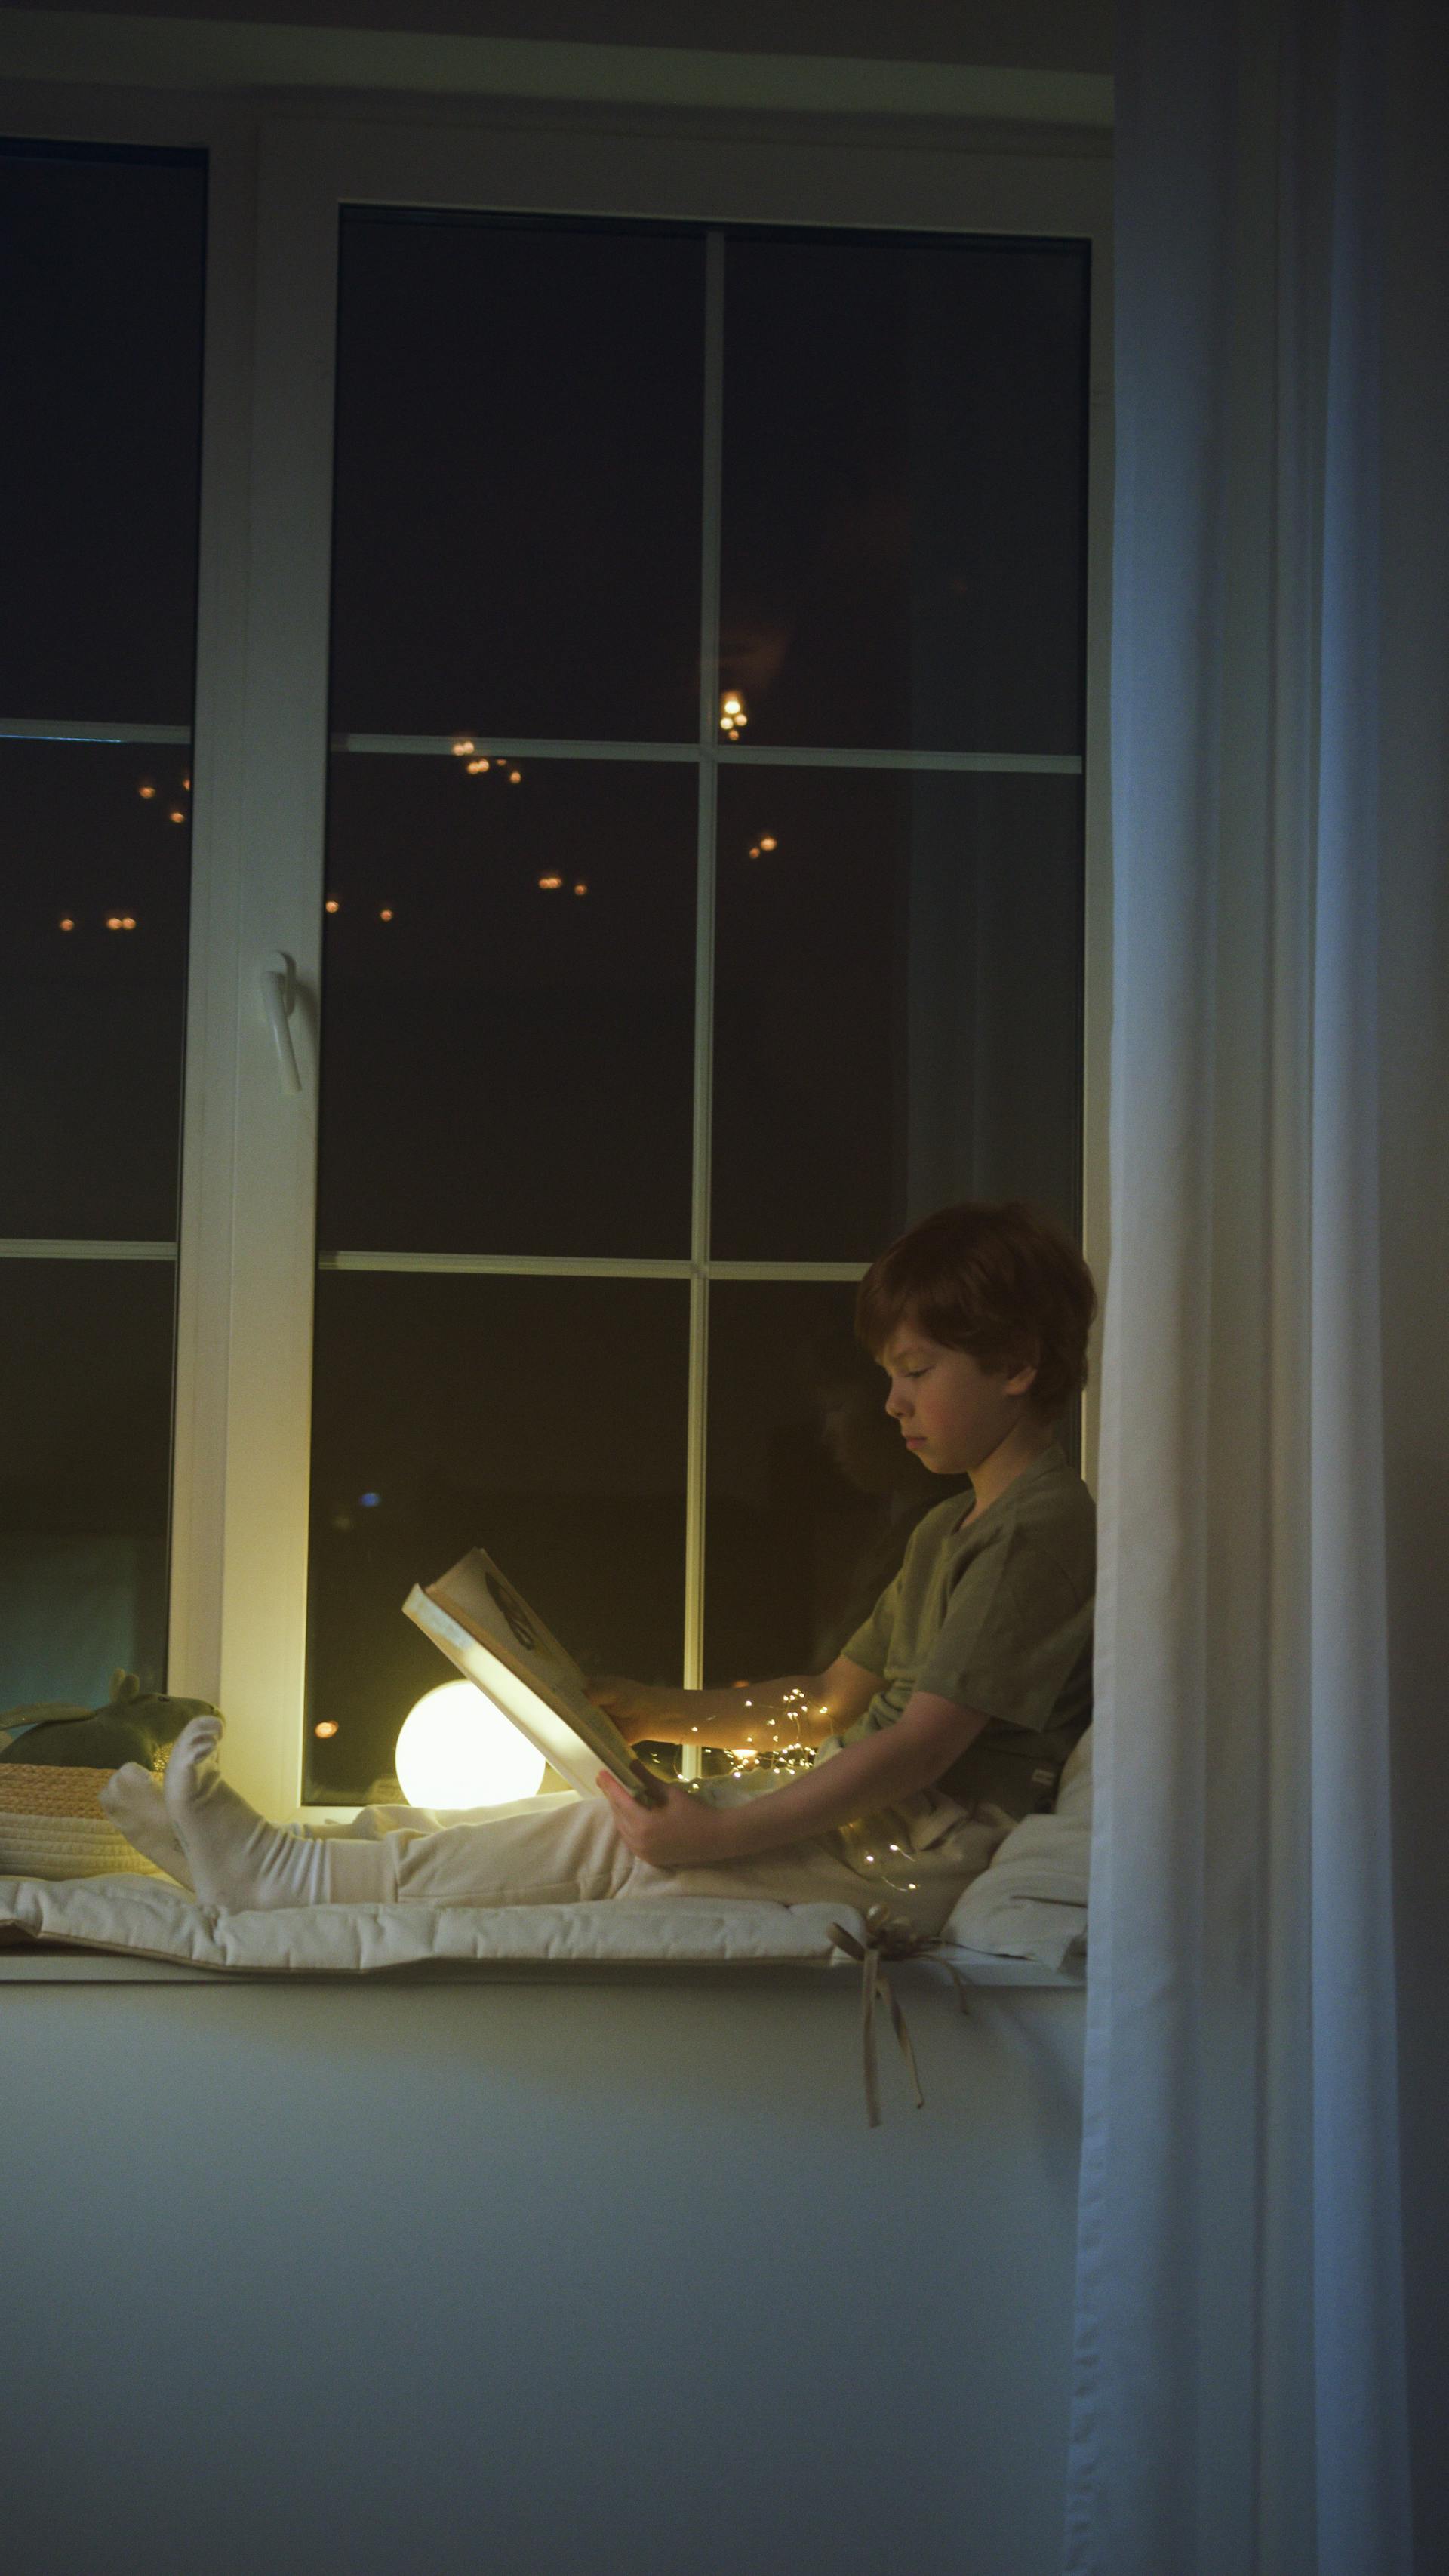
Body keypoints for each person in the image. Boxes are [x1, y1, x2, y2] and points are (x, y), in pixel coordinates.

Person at [105, 1201, 1097, 1937]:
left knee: (607, 1840)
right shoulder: (945, 1531)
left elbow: (921, 1750)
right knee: (591, 1810)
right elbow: (824, 1701)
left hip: (913, 1856)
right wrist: (640, 1710)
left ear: (1014, 1362)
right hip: (874, 1823)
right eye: (888, 1376)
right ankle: (259, 1867)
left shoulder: (1043, 1529)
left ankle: (284, 1876)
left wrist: (717, 1835)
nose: (891, 1404)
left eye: (915, 1373)